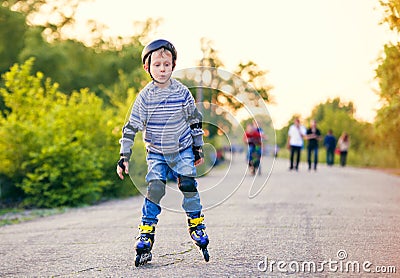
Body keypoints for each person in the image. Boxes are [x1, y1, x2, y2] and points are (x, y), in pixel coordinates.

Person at [116, 39, 209, 266]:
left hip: (183, 148)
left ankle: (196, 224)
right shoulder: (145, 97)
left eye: (166, 64)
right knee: (155, 188)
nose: (162, 69)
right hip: (156, 152)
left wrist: (198, 147)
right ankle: (146, 232)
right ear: (148, 68)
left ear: (173, 65)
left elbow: (194, 121)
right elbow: (131, 127)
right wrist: (124, 156)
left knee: (187, 183)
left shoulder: (182, 92)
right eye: (157, 65)